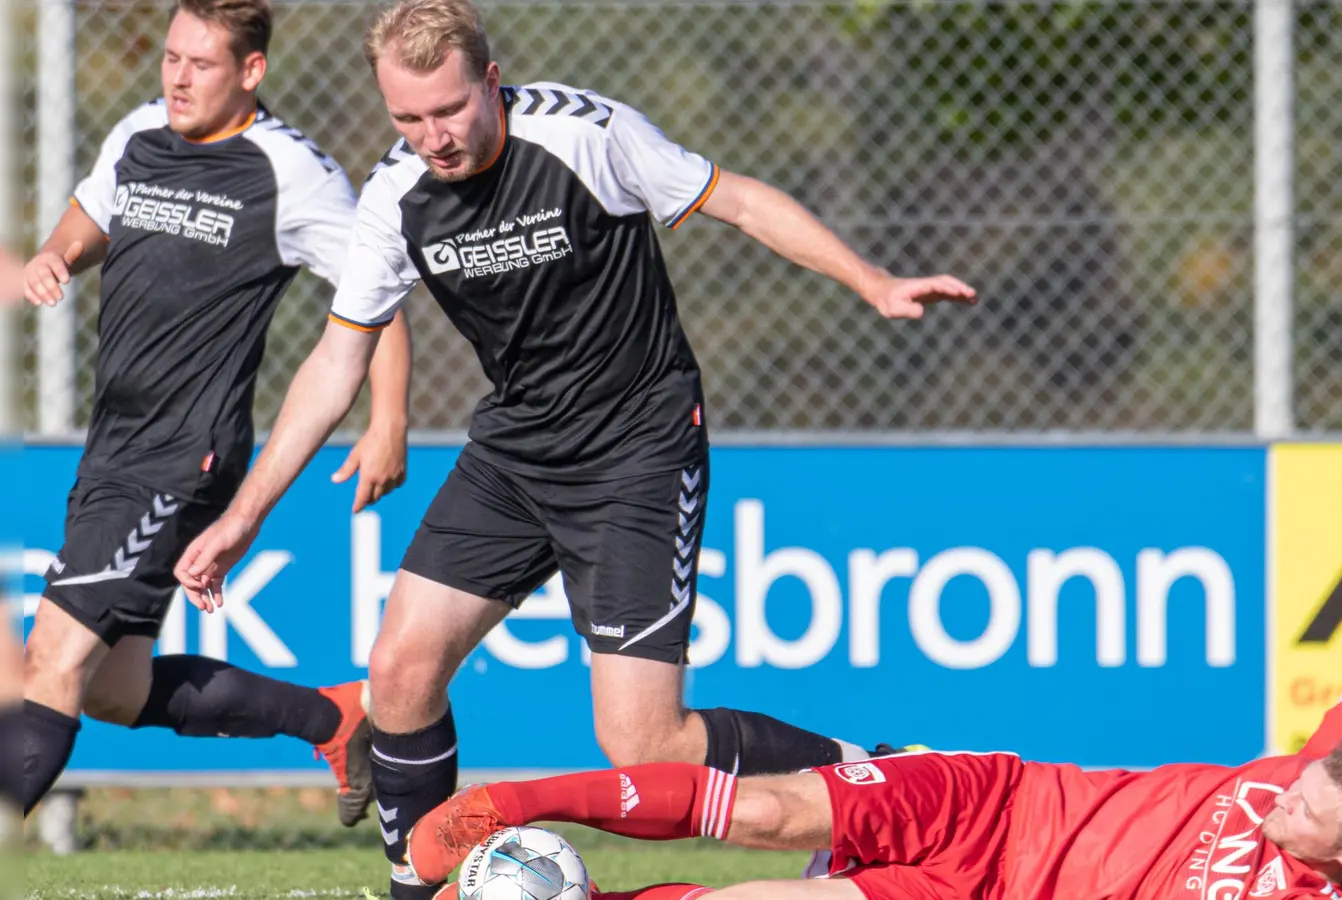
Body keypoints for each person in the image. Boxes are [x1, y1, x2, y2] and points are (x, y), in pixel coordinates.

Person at [172, 0, 974, 895]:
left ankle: (887, 776)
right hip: (518, 450)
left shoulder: (588, 136)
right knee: (398, 674)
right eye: (407, 117)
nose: (432, 136)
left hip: (638, 449)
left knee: (644, 744)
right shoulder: (398, 195)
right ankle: (421, 887)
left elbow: (737, 199)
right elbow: (336, 359)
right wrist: (246, 516)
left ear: (489, 80)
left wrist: (872, 280)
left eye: (448, 111)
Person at [411, 585, 1342, 900]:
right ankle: (510, 809)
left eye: (1305, 821)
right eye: (1296, 786)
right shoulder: (1311, 770)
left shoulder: (1317, 895)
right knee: (762, 807)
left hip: (973, 896)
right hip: (994, 799)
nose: (1281, 805)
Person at [11, 0, 413, 826]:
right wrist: (57, 253)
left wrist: (390, 419)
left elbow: (380, 296)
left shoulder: (288, 170)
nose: (178, 77)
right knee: (114, 693)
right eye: (170, 58)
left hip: (181, 452)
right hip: (112, 444)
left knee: (44, 666)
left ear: (251, 71)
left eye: (200, 64)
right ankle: (332, 719)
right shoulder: (139, 132)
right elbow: (91, 215)